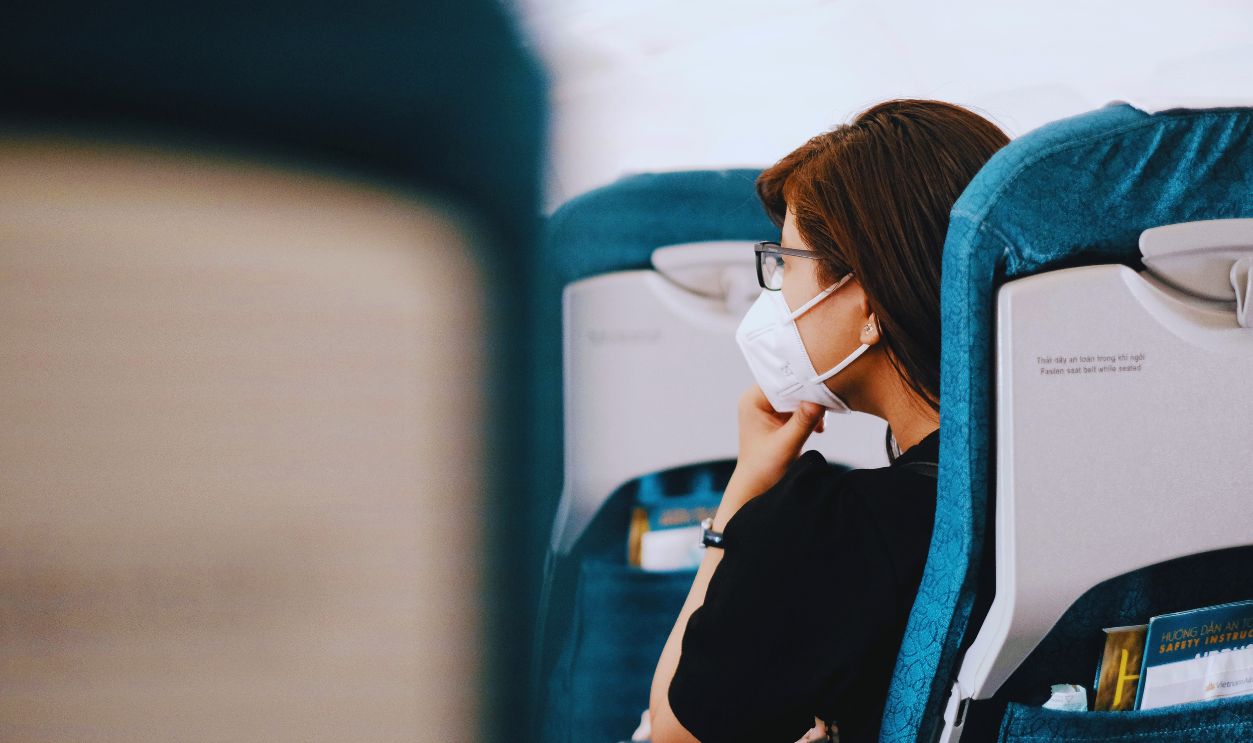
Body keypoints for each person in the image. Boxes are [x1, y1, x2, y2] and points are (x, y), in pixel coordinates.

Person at [648, 99, 1010, 743]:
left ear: (868, 305)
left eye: (785, 263)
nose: (773, 293)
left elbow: (677, 729)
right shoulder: (1073, 479)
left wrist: (743, 495)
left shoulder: (834, 531)